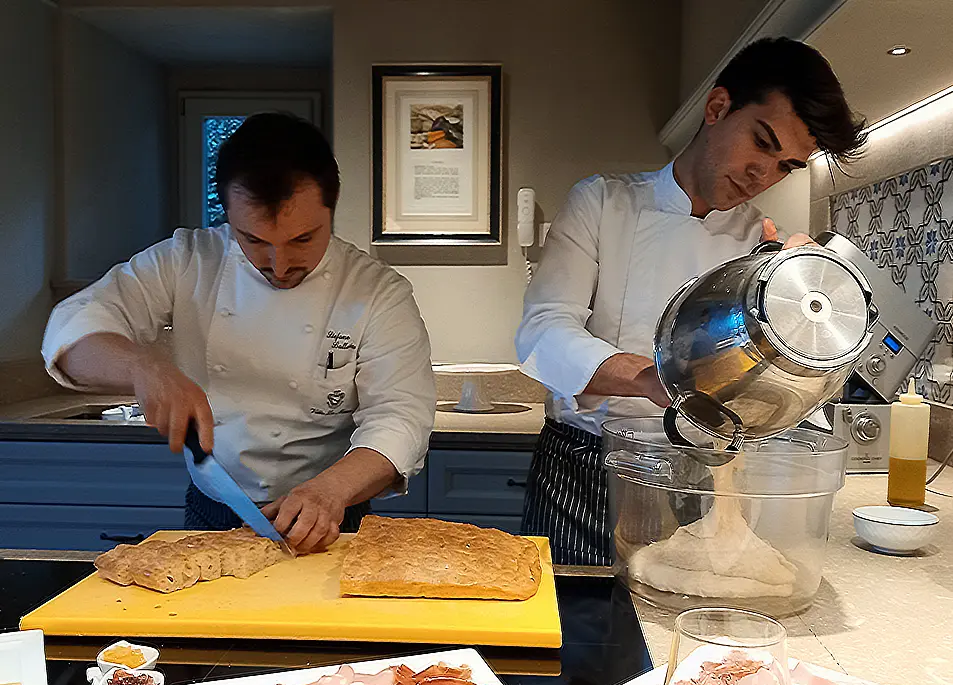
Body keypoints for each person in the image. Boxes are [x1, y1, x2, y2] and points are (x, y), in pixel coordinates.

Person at [515, 37, 866, 566]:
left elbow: (782, 393)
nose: (762, 175)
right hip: (584, 471)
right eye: (761, 142)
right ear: (717, 107)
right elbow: (542, 333)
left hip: (700, 477)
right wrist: (653, 380)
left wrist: (809, 294)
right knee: (573, 634)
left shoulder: (765, 252)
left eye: (786, 166)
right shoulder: (604, 203)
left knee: (679, 634)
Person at [42, 113, 436, 553]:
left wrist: (331, 491)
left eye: (303, 239)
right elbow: (74, 325)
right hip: (212, 511)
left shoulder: (378, 292)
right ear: (227, 215)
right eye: (253, 240)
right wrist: (143, 367)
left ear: (333, 206)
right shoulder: (185, 261)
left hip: (330, 517)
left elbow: (401, 417)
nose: (279, 265)